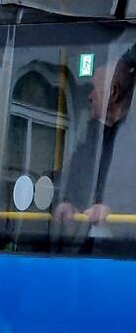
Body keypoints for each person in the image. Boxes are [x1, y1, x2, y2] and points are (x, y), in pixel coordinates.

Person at [55, 50, 136, 225]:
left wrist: (114, 210)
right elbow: (73, 176)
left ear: (113, 92)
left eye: (94, 88)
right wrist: (67, 202)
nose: (89, 96)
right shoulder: (93, 135)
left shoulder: (131, 137)